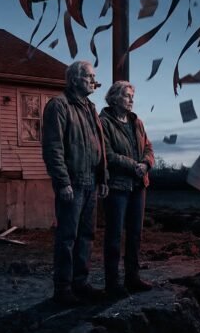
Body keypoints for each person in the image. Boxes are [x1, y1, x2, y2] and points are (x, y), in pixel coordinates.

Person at [42, 60, 109, 305]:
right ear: (74, 79)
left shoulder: (90, 107)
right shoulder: (59, 105)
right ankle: (63, 288)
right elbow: (53, 148)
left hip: (91, 181)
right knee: (67, 237)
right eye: (89, 76)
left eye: (94, 76)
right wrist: (63, 182)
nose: (94, 80)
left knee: (87, 236)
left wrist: (103, 177)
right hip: (73, 182)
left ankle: (80, 283)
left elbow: (99, 144)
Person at [99, 81, 154, 297]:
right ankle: (112, 283)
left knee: (135, 234)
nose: (131, 100)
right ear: (113, 98)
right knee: (113, 236)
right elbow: (107, 155)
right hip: (117, 186)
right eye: (127, 96)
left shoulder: (136, 122)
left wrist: (146, 164)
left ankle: (133, 278)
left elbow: (149, 148)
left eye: (132, 96)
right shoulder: (103, 122)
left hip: (139, 185)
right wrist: (134, 166)